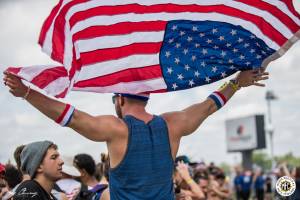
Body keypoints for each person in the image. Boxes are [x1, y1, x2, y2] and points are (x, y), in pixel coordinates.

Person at [3, 69, 269, 199]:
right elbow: (210, 104)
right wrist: (236, 81)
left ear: (119, 100)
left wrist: (27, 93)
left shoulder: (117, 130)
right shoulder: (173, 124)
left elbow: (70, 116)